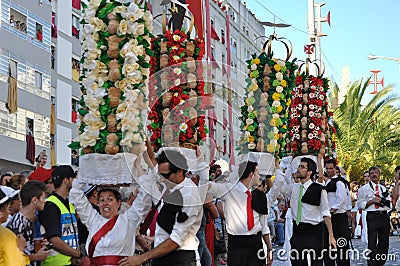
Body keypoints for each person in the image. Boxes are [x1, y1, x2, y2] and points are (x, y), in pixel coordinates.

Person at [119, 149, 203, 266]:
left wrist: (142, 258)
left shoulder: (189, 196)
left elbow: (176, 240)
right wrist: (144, 142)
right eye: (160, 175)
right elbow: (153, 163)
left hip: (181, 259)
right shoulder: (169, 184)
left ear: (180, 171)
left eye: (165, 175)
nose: (162, 179)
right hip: (161, 255)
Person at [69, 153, 155, 265]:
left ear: (119, 203)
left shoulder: (129, 220)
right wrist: (85, 170)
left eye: (109, 199)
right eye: (101, 200)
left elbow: (145, 197)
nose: (105, 203)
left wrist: (138, 166)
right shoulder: (93, 220)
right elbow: (75, 194)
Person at [206, 160, 284, 266]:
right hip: (236, 243)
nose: (259, 176)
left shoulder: (260, 196)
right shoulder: (229, 190)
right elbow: (206, 185)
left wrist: (269, 248)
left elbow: (264, 226)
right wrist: (201, 162)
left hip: (255, 242)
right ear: (251, 174)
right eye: (257, 172)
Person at [288, 157, 336, 266]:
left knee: (316, 263)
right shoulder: (294, 188)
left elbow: (326, 213)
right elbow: (276, 187)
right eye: (299, 166)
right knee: (297, 262)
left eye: (302, 167)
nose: (298, 169)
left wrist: (331, 236)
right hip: (298, 231)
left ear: (309, 172)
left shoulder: (319, 189)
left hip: (314, 232)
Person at [38, 165, 83, 266]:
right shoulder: (50, 205)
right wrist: (78, 254)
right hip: (55, 263)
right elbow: (54, 240)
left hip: (69, 261)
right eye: (73, 179)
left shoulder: (69, 203)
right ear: (66, 180)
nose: (75, 182)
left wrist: (75, 253)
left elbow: (73, 232)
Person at [6, 181, 50, 265]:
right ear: (35, 200)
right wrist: (37, 256)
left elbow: (26, 249)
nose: (45, 201)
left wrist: (37, 246)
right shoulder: (18, 223)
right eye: (43, 198)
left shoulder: (28, 220)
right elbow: (13, 255)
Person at [357, 166, 391, 266]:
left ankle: (380, 262)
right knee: (372, 242)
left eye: (376, 173)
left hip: (383, 216)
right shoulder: (364, 189)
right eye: (372, 173)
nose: (374, 175)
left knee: (384, 242)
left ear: (379, 175)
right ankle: (371, 263)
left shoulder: (383, 188)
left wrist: (384, 201)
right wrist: (372, 201)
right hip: (372, 216)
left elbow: (389, 203)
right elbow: (360, 204)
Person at [321, 159, 351, 266]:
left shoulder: (339, 182)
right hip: (327, 218)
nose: (329, 170)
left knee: (341, 247)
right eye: (327, 168)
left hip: (338, 218)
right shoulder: (324, 182)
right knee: (327, 247)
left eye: (331, 168)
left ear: (335, 168)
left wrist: (331, 211)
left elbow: (341, 199)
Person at [0, 186, 30, 265]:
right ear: (1, 212)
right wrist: (20, 249)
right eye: (8, 208)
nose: (8, 212)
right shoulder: (6, 235)